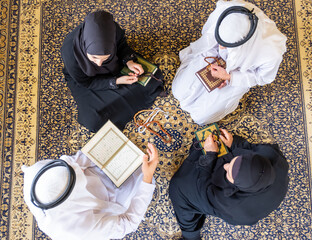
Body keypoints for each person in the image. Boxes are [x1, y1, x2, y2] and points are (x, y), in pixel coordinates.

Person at [172, 0, 287, 125]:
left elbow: (262, 78)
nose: (222, 45)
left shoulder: (272, 53)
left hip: (240, 73)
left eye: (226, 46)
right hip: (213, 54)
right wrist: (218, 51)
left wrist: (229, 77)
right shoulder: (228, 10)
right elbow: (209, 38)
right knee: (179, 92)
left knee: (200, 116)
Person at [169, 129, 289, 240]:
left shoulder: (229, 204)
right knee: (216, 139)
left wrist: (210, 156)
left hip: (241, 211)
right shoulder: (275, 158)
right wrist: (235, 144)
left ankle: (190, 236)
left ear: (236, 187)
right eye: (233, 161)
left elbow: (203, 189)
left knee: (179, 188)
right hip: (264, 193)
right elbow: (250, 149)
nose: (226, 166)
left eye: (229, 172)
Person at [23, 143, 159, 240]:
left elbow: (73, 161)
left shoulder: (37, 172)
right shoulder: (83, 232)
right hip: (108, 202)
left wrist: (103, 148)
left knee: (110, 146)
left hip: (91, 177)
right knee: (144, 177)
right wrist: (147, 176)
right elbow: (129, 222)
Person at [61, 11, 163, 132]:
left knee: (152, 78)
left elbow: (121, 47)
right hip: (88, 80)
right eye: (94, 58)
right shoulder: (70, 53)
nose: (99, 64)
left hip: (115, 65)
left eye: (105, 57)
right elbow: (87, 83)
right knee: (93, 119)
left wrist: (129, 61)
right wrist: (116, 81)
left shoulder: (114, 31)